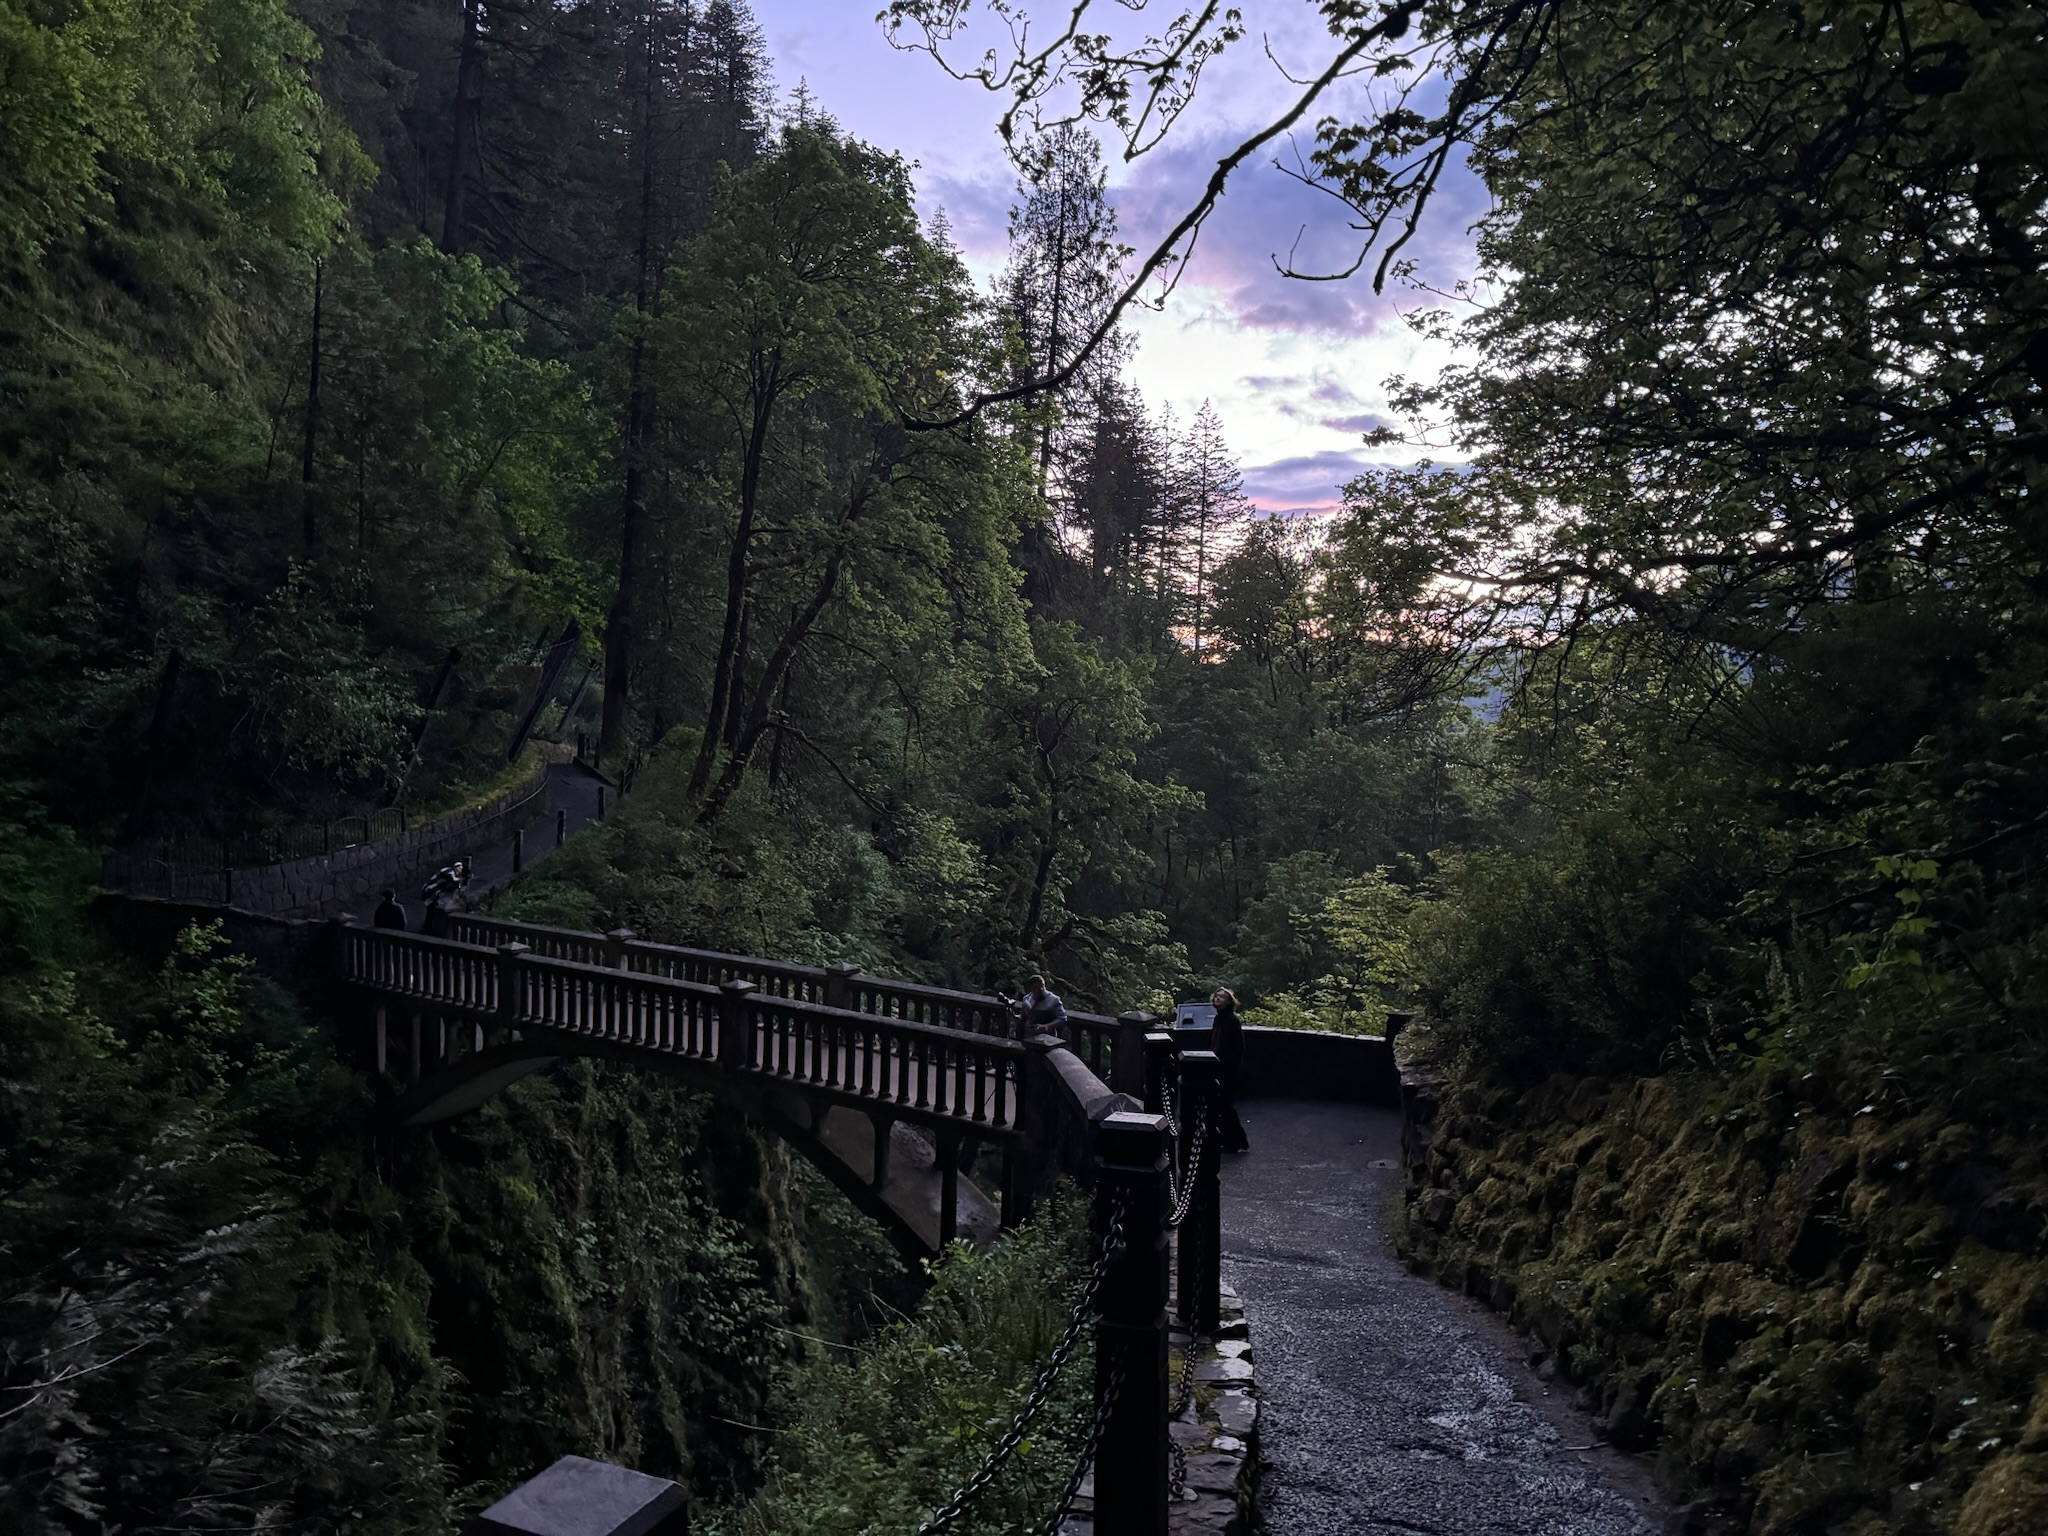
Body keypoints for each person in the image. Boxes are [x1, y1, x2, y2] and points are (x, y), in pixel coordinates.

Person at [1210, 986, 1251, 1153]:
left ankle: (1237, 1140)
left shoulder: (1231, 1021)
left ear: (1229, 1002)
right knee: (1221, 1106)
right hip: (1218, 1068)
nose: (1217, 998)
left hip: (1227, 1070)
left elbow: (1237, 1048)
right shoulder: (1219, 1019)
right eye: (1216, 996)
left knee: (1224, 1106)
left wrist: (1228, 1068)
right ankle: (1229, 1139)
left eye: (1222, 997)